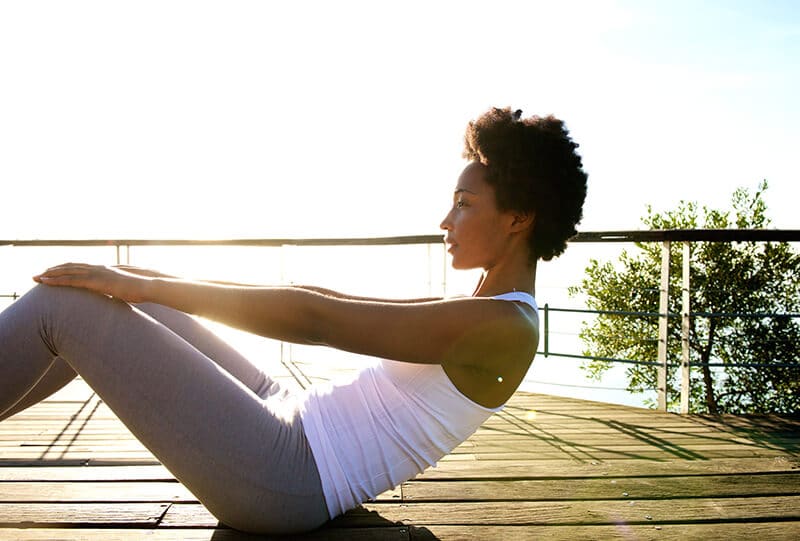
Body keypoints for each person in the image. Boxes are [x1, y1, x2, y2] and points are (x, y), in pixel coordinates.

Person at [0, 107, 587, 534]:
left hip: (287, 476)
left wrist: (143, 285)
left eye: (464, 204)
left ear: (519, 218)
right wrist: (146, 284)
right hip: (292, 417)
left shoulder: (506, 327)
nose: (445, 219)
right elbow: (316, 296)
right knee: (128, 291)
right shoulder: (485, 308)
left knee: (67, 304)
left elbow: (316, 321)